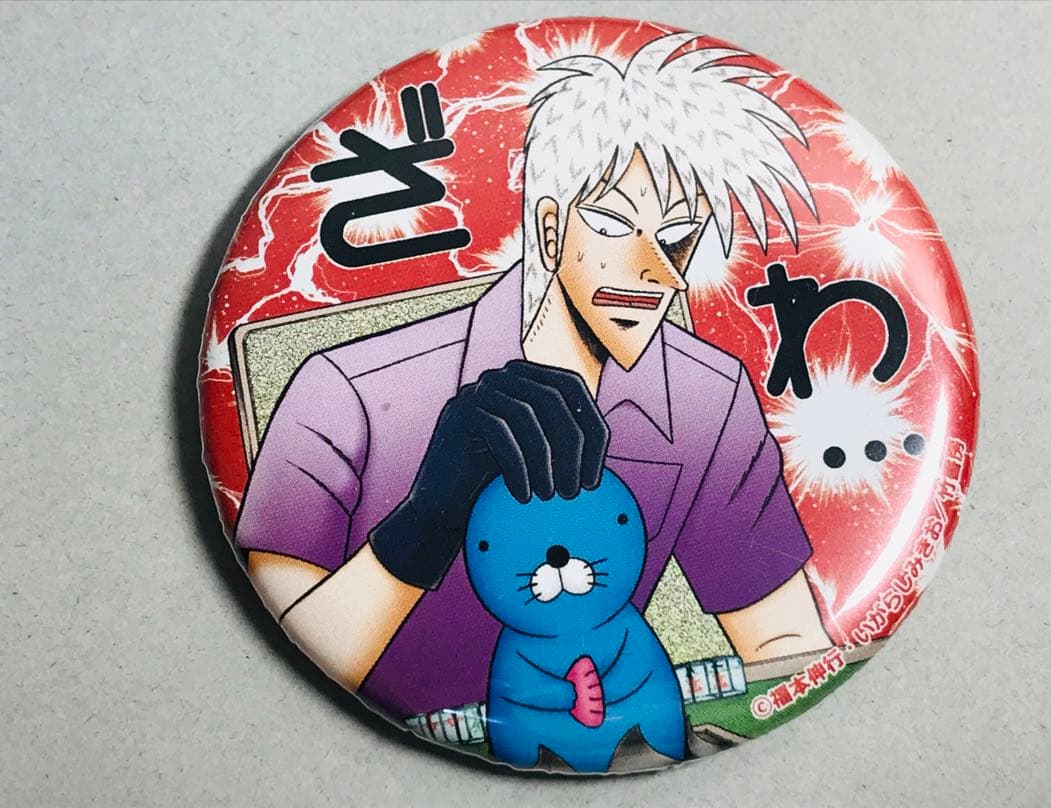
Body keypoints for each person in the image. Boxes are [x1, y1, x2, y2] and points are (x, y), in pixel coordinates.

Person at [234, 32, 832, 728]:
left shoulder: (707, 397)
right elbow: (288, 650)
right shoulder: (346, 392)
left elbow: (789, 650)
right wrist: (426, 522)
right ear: (549, 230)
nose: (653, 269)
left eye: (677, 236)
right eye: (612, 222)